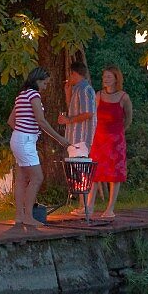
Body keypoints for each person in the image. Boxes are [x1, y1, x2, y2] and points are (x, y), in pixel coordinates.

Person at [8, 66, 68, 229]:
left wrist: (21, 131)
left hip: (18, 138)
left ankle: (20, 216)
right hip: (25, 140)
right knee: (37, 177)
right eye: (45, 83)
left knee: (22, 179)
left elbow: (11, 120)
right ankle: (28, 216)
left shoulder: (22, 95)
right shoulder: (34, 95)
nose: (46, 87)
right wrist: (60, 139)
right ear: (37, 80)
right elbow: (41, 121)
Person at [89, 65, 133, 220]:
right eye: (104, 77)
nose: (105, 79)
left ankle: (110, 209)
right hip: (99, 138)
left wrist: (119, 132)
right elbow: (92, 116)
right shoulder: (98, 95)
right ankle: (89, 206)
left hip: (116, 139)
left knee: (115, 174)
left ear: (116, 78)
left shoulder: (123, 97)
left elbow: (128, 118)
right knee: (94, 172)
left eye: (108, 77)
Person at [58, 61, 101, 215]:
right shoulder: (77, 89)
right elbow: (73, 108)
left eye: (70, 74)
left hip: (81, 137)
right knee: (77, 170)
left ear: (75, 74)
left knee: (81, 171)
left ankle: (86, 207)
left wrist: (69, 120)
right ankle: (83, 206)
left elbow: (88, 113)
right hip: (74, 137)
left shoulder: (85, 89)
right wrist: (67, 93)